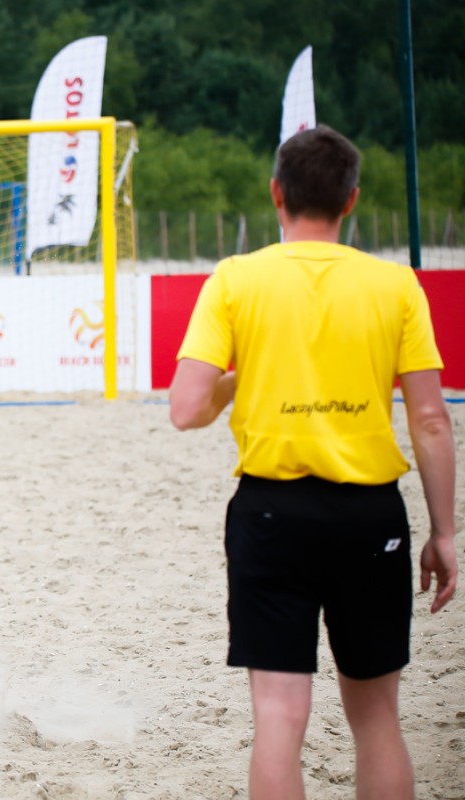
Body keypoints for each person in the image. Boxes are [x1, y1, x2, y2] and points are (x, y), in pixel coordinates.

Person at [169, 125, 457, 800]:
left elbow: (185, 408)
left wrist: (243, 377)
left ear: (277, 193)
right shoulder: (396, 284)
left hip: (272, 512)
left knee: (279, 717)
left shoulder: (237, 278)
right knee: (378, 719)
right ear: (351, 199)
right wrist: (445, 532)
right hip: (371, 515)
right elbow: (430, 419)